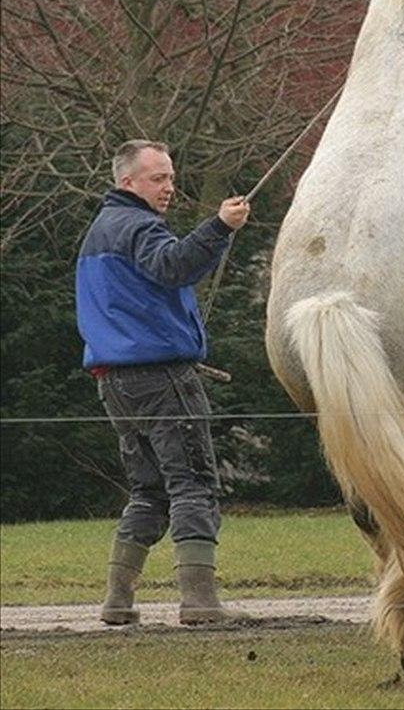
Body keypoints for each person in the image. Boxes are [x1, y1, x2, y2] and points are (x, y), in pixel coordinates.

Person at [75, 139, 250, 625]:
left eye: (171, 177)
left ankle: (118, 601)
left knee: (147, 490)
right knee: (193, 483)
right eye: (158, 179)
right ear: (127, 182)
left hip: (116, 384)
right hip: (161, 379)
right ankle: (200, 602)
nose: (169, 187)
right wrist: (220, 227)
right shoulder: (138, 226)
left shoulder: (99, 232)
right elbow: (174, 266)